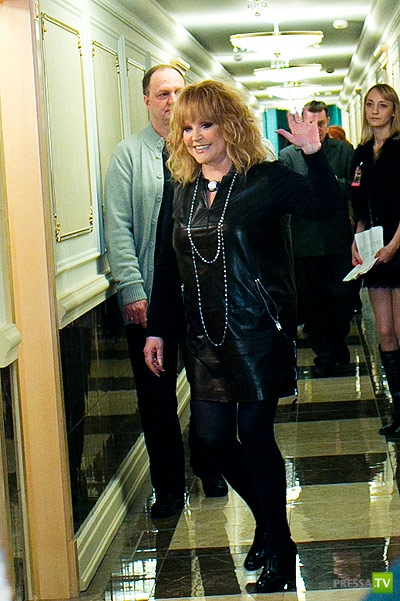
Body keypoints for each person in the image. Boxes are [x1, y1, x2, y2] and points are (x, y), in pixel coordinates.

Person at [143, 80, 341, 592]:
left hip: (258, 330)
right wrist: (157, 331)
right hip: (202, 336)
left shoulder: (265, 179)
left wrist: (314, 154)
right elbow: (167, 264)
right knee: (210, 440)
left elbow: (325, 206)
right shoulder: (180, 188)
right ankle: (269, 524)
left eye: (205, 124)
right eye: (186, 127)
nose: (194, 136)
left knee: (253, 435)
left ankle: (280, 547)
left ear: (229, 125)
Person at [104, 65, 226, 520]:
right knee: (155, 399)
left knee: (209, 388)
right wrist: (132, 288)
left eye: (178, 91)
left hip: (202, 299)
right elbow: (118, 227)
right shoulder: (128, 155)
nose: (171, 100)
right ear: (147, 101)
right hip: (150, 299)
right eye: (162, 93)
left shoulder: (202, 149)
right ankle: (169, 487)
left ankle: (210, 467)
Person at [280, 100, 355, 377]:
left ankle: (337, 341)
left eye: (321, 123)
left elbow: (353, 187)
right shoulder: (288, 156)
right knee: (314, 302)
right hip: (305, 241)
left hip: (338, 238)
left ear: (327, 122)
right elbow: (290, 194)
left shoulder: (343, 151)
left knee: (343, 297)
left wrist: (327, 184)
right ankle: (325, 353)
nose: (316, 128)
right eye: (310, 123)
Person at [351, 83, 400, 437]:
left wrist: (395, 245)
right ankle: (399, 408)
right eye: (370, 104)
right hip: (375, 249)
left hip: (398, 246)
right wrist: (357, 242)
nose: (374, 111)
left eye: (382, 105)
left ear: (394, 111)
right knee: (385, 332)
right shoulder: (361, 154)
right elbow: (359, 206)